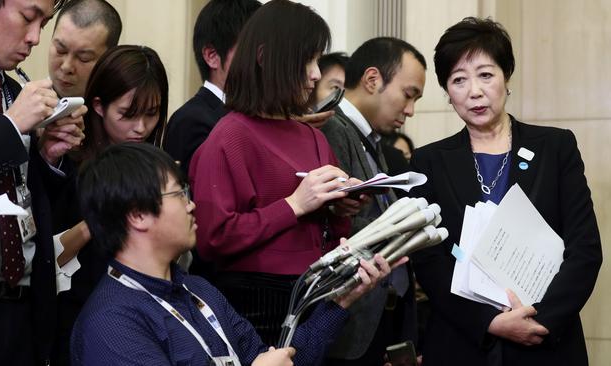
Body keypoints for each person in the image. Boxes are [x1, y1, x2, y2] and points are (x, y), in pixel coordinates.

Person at [71, 142, 393, 366]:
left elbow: (282, 359)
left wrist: (341, 299)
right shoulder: (111, 323)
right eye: (179, 193)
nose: (191, 204)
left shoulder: (197, 290)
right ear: (137, 214)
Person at [190, 0, 388, 346]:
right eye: (308, 60)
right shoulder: (230, 134)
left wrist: (341, 206)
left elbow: (325, 230)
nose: (315, 74)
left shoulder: (312, 136)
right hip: (253, 304)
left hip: (315, 291)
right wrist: (295, 204)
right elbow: (212, 238)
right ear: (265, 58)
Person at [409, 17, 602, 365]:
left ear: (506, 76)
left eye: (486, 74)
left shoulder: (556, 148)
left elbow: (585, 250)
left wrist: (540, 321)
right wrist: (491, 323)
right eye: (458, 80)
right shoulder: (428, 161)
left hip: (546, 344)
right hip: (462, 342)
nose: (475, 91)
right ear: (447, 92)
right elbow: (429, 261)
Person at [0, 0, 87, 364]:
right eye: (28, 17)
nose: (34, 38)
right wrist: (12, 126)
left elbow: (26, 193)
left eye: (43, 24)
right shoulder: (16, 105)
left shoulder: (13, 91)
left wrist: (49, 155)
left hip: (25, 304)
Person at [50, 44, 169, 365]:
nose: (141, 128)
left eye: (152, 113)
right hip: (80, 320)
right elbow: (47, 258)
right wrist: (97, 221)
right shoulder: (69, 166)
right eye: (128, 114)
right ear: (99, 106)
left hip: (146, 321)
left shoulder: (160, 169)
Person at [320, 37, 426, 366]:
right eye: (408, 95)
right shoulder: (332, 128)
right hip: (348, 319)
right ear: (372, 80)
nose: (409, 110)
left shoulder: (368, 136)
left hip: (378, 315)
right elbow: (334, 224)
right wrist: (408, 229)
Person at [164, 0, 261, 177]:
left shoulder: (257, 114)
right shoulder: (191, 121)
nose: (261, 62)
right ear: (212, 56)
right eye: (250, 51)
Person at [48, 0, 121, 98]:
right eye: (60, 50)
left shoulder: (120, 110)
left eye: (84, 58)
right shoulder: (23, 105)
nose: (66, 67)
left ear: (108, 61)